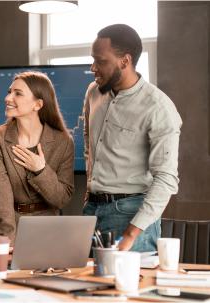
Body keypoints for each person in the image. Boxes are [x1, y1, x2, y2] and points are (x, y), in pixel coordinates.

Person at [82, 24, 182, 252]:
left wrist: (131, 234)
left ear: (124, 61)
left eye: (101, 61)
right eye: (93, 60)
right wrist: (89, 195)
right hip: (91, 212)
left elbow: (165, 178)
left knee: (133, 288)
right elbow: (90, 144)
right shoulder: (93, 92)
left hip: (131, 216)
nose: (93, 67)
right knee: (88, 286)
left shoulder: (158, 107)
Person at [0, 71, 75, 245]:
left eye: (17, 93)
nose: (8, 98)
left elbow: (61, 199)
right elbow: (0, 197)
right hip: (9, 229)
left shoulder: (63, 142)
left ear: (38, 104)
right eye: (9, 91)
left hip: (50, 232)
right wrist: (8, 244)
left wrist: (41, 170)